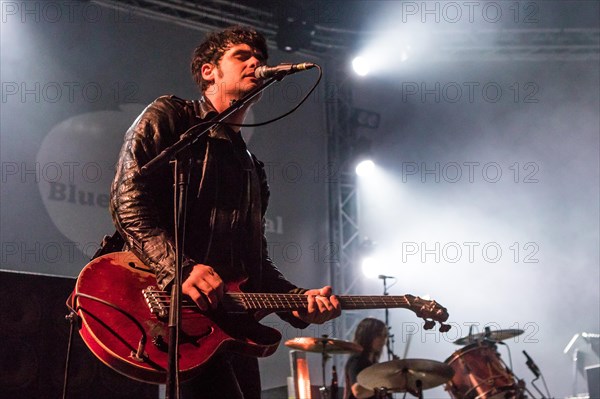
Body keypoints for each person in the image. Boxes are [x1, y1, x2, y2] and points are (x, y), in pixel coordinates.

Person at [109, 25, 341, 398]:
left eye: (260, 59)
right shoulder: (170, 117)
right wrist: (180, 269)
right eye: (242, 56)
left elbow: (255, 266)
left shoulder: (251, 169)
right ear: (208, 71)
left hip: (227, 327)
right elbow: (127, 199)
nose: (256, 63)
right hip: (164, 310)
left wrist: (299, 302)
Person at [344, 318, 389, 399]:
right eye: (379, 335)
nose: (383, 340)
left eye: (385, 336)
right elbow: (358, 392)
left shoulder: (373, 363)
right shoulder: (356, 360)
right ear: (367, 336)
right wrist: (386, 384)